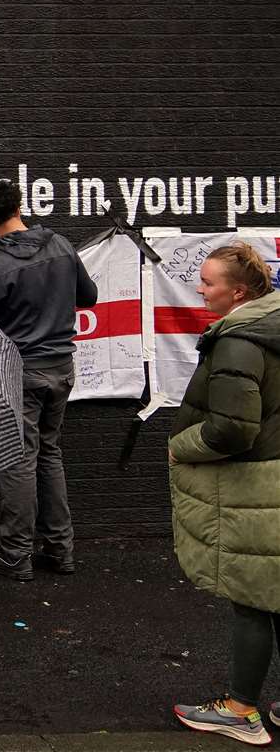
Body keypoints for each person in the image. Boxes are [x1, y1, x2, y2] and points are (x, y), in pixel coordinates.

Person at [168, 242, 280, 746]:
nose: (199, 288)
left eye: (209, 282)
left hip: (256, 487)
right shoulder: (272, 323)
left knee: (251, 599)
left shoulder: (238, 339)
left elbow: (232, 431)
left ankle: (240, 711)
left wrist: (180, 447)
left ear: (237, 292)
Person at [0, 179, 98, 581]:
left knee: (19, 459)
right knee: (50, 454)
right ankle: (61, 550)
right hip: (62, 367)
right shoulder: (61, 245)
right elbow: (88, 297)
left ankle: (16, 554)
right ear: (19, 208)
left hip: (21, 371)